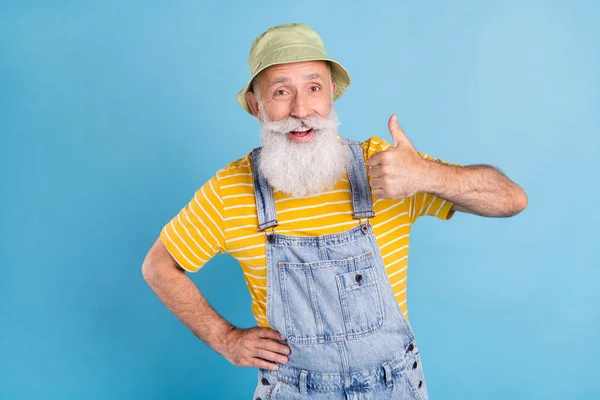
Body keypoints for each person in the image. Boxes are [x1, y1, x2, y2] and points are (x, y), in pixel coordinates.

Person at [142, 23, 528, 399]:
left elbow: (511, 199)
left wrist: (428, 176)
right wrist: (225, 338)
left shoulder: (386, 165)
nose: (301, 109)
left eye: (313, 88)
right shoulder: (231, 191)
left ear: (331, 96)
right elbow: (158, 266)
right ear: (256, 105)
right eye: (281, 92)